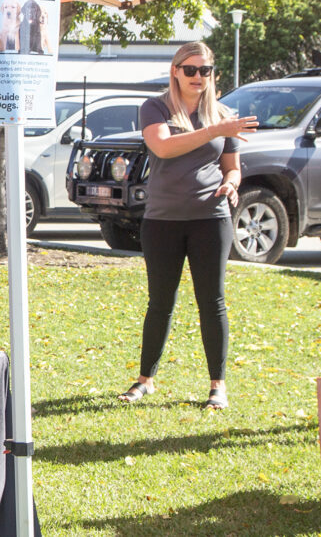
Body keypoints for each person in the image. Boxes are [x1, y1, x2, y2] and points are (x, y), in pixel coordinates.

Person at [117, 42, 257, 410]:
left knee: (212, 302)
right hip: (163, 220)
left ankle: (217, 386)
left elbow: (232, 165)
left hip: (210, 219)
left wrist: (232, 182)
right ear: (175, 71)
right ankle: (145, 379)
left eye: (205, 71)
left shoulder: (223, 115)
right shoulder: (157, 107)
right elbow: (162, 148)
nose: (198, 77)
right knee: (160, 301)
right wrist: (215, 130)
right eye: (191, 70)